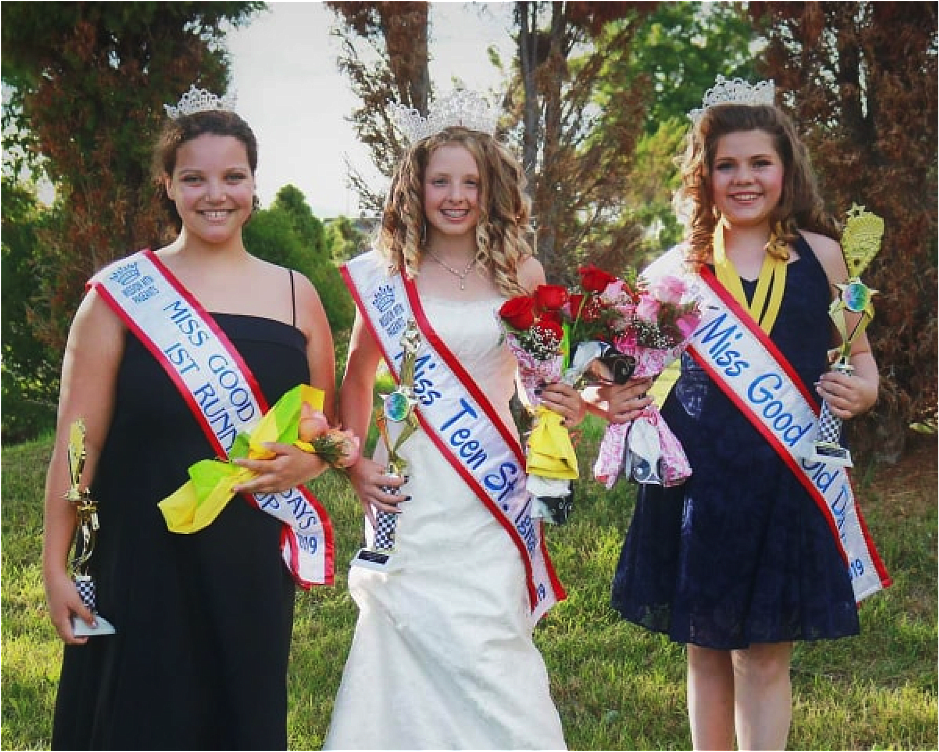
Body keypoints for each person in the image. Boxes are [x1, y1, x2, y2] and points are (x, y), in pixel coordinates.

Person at [41, 84, 337, 750]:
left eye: (233, 177)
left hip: (250, 556)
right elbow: (78, 445)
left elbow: (324, 427)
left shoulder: (297, 295)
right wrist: (56, 566)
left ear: (254, 184)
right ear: (168, 186)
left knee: (241, 719)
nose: (215, 194)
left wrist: (310, 463)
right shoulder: (120, 295)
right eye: (194, 178)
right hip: (139, 554)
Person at [598, 76, 890, 750]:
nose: (744, 178)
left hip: (787, 477)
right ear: (703, 178)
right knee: (704, 646)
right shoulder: (675, 270)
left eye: (760, 162)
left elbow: (861, 356)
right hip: (699, 477)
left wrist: (866, 390)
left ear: (786, 170)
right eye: (725, 165)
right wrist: (605, 393)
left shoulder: (823, 255)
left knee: (765, 654)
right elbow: (628, 376)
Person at [322, 89, 584, 751]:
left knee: (492, 635)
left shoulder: (520, 271)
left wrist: (559, 407)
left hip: (487, 485)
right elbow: (357, 377)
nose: (456, 196)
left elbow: (534, 382)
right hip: (408, 482)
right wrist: (356, 465)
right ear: (416, 187)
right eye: (440, 181)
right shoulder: (389, 274)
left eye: (471, 182)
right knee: (402, 628)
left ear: (492, 189)